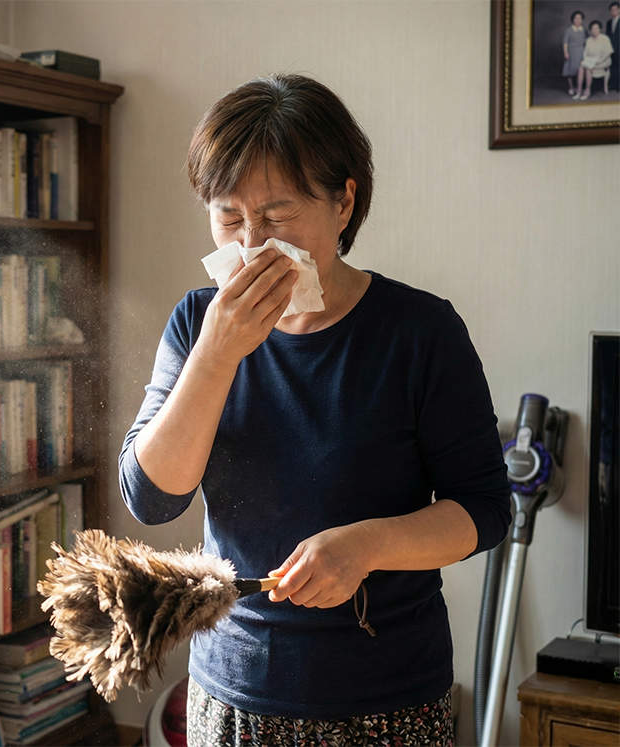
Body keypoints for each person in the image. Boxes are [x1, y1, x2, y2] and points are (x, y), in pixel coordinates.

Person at [119, 74, 511, 746]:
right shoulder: (195, 323)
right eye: (229, 217)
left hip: (387, 699)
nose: (250, 244)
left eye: (276, 215)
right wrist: (216, 356)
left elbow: (484, 508)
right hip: (233, 688)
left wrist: (370, 544)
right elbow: (151, 498)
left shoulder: (420, 333)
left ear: (343, 201)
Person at [576, 20, 615, 99]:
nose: (594, 30)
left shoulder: (605, 38)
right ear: (590, 30)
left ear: (600, 29)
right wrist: (585, 60)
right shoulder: (588, 40)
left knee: (588, 68)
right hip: (591, 59)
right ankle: (579, 91)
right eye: (593, 29)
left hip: (604, 60)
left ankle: (587, 91)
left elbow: (608, 53)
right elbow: (585, 52)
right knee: (581, 67)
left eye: (596, 28)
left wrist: (600, 61)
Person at [563, 11, 587, 96]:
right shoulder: (569, 30)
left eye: (580, 18)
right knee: (569, 70)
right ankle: (571, 87)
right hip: (571, 52)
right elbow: (565, 43)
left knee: (579, 71)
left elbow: (586, 42)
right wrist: (566, 53)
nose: (578, 20)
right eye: (576, 18)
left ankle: (579, 88)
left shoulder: (583, 30)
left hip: (581, 53)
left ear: (582, 20)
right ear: (573, 20)